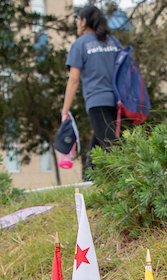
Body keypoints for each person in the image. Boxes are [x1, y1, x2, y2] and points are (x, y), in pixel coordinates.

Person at [61, 5, 120, 175]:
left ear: (84, 21)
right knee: (97, 144)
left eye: (77, 19)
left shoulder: (80, 45)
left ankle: (126, 188)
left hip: (97, 102)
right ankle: (89, 183)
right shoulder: (113, 41)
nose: (77, 23)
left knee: (111, 149)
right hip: (117, 102)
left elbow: (73, 80)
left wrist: (65, 110)